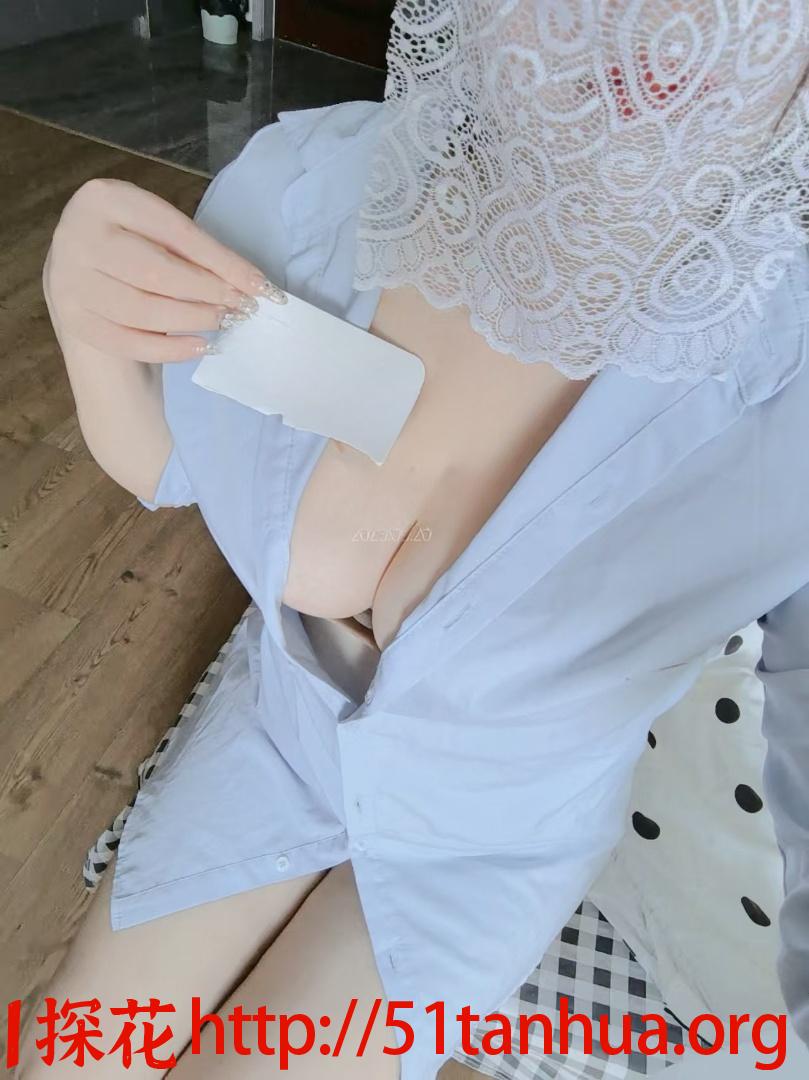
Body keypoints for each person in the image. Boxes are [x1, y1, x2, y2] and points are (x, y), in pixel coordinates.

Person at [16, 2, 809, 1077]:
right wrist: (85, 317)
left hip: (480, 847)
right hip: (276, 743)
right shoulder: (305, 191)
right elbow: (175, 461)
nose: (652, 29)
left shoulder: (782, 385)